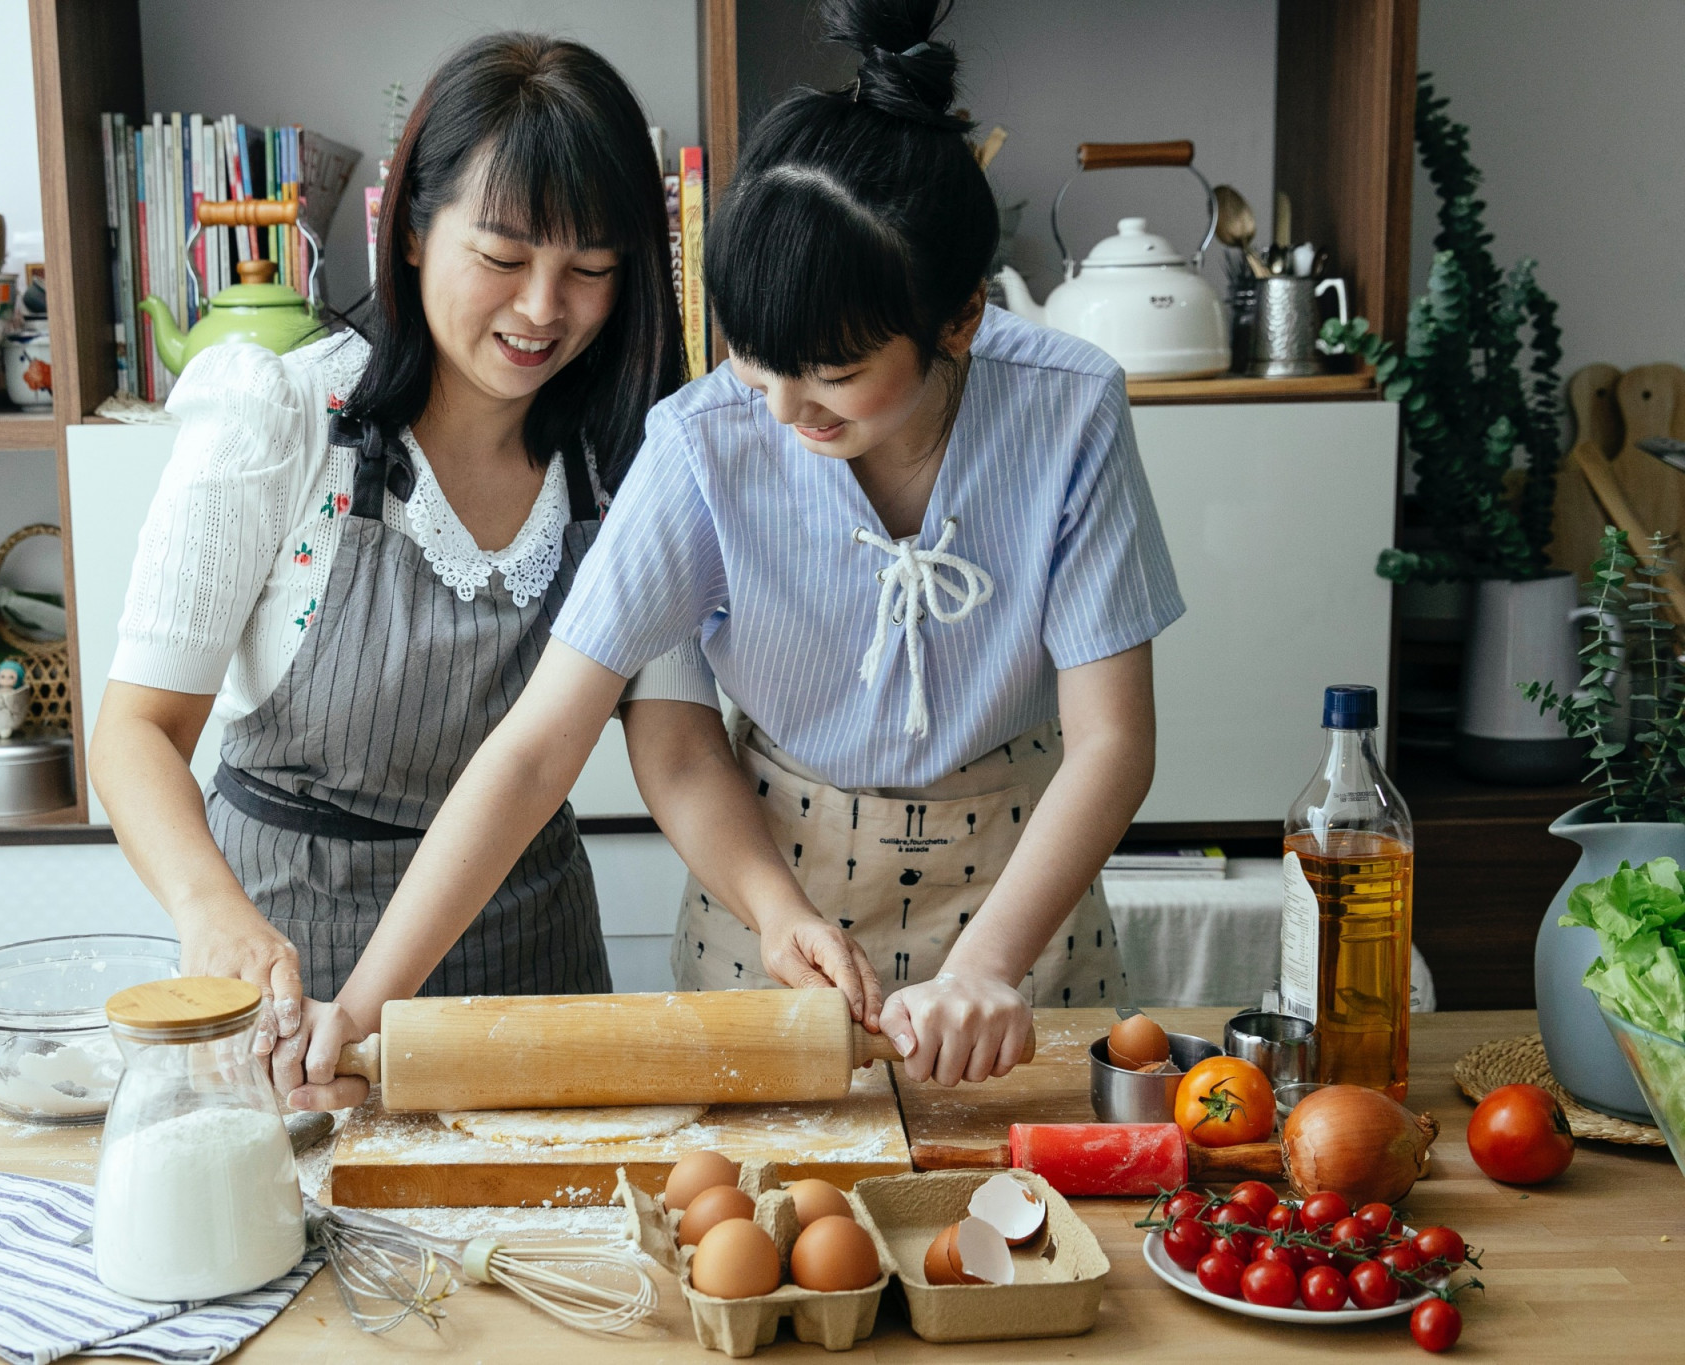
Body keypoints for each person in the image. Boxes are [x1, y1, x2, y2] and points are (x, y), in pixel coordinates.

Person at [278, 0, 1186, 1109]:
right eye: (759, 362)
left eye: (836, 374)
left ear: (958, 320)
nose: (787, 409)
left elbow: (1111, 743)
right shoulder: (703, 441)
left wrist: (989, 967)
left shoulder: (1066, 407)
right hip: (774, 898)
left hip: (1018, 905)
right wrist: (358, 1014)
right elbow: (534, 751)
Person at [87, 31, 684, 1108]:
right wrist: (209, 911)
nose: (543, 308)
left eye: (589, 269)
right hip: (292, 982)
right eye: (501, 258)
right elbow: (135, 733)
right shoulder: (280, 418)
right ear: (409, 231)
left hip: (530, 976)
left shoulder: (623, 461)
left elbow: (674, 742)